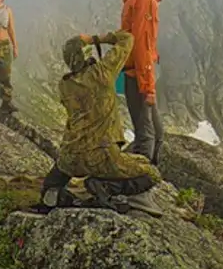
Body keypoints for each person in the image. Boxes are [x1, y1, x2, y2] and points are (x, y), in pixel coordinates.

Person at [40, 29, 162, 212]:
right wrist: (95, 39)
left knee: (57, 176)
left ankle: (53, 191)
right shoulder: (102, 73)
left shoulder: (64, 85)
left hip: (71, 155)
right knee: (151, 173)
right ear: (87, 54)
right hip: (102, 155)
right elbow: (127, 38)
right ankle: (105, 186)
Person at [121, 0, 172, 165]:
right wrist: (148, 87)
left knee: (156, 134)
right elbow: (143, 45)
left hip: (135, 73)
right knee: (148, 138)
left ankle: (147, 184)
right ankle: (134, 193)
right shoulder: (145, 0)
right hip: (139, 76)